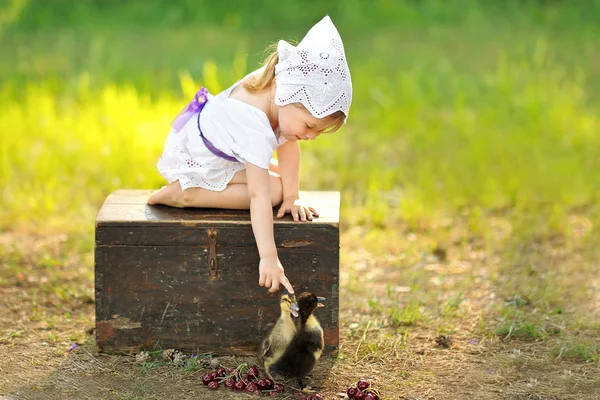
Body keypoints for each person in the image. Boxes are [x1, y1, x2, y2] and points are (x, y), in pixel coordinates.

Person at [148, 15, 352, 294]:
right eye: (310, 126)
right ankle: (185, 193)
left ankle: (199, 189)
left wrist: (293, 198)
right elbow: (257, 197)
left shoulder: (274, 90)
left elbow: (289, 146)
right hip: (203, 161)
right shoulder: (254, 123)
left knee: (282, 183)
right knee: (272, 192)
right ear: (290, 95)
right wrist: (269, 258)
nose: (311, 136)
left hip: (220, 149)